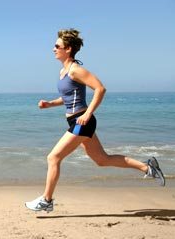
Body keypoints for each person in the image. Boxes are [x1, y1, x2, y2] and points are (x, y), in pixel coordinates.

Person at [25, 28, 165, 212]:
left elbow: (100, 89)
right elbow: (68, 98)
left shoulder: (76, 70)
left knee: (53, 157)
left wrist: (87, 114)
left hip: (81, 122)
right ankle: (148, 168)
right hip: (77, 121)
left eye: (57, 45)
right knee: (102, 160)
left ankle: (47, 200)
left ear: (67, 49)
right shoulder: (63, 72)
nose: (53, 48)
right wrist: (49, 104)